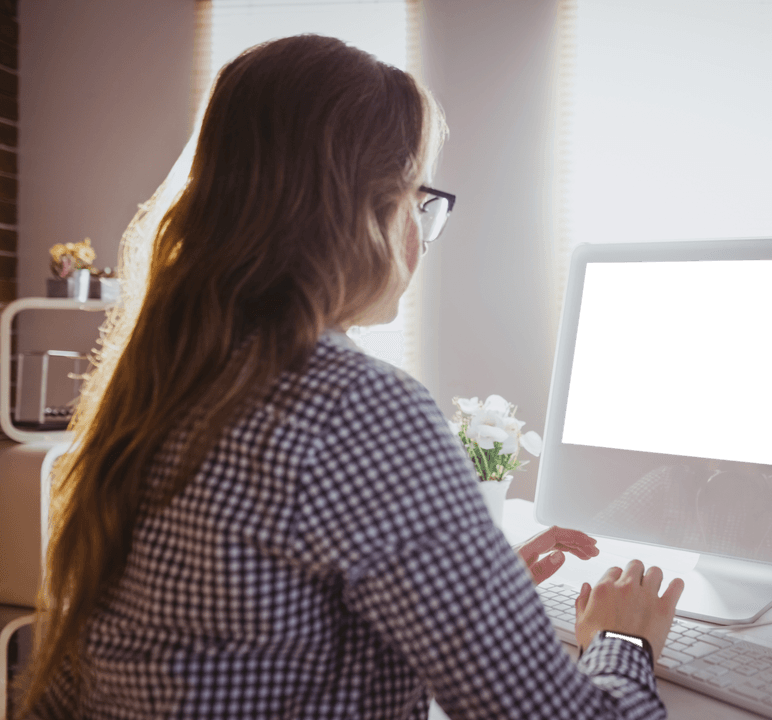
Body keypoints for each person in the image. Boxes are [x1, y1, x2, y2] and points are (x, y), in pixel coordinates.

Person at [18, 35, 684, 720]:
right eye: (419, 200)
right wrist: (621, 640)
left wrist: (470, 597)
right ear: (363, 213)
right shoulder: (355, 409)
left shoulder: (162, 386)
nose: (422, 234)